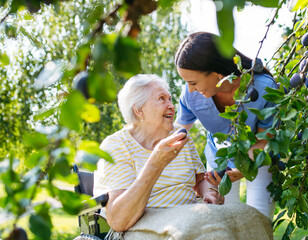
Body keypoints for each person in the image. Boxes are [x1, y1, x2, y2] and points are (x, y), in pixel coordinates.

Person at [93, 74, 223, 233]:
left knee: (244, 215)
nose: (171, 106)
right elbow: (119, 221)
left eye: (170, 99)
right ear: (139, 110)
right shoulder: (116, 146)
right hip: (143, 226)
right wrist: (156, 163)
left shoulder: (180, 136)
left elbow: (200, 180)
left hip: (191, 218)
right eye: (162, 99)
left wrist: (209, 192)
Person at [174, 31, 277, 219]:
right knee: (222, 221)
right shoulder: (191, 96)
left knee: (260, 220)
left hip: (259, 159)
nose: (189, 89)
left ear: (217, 74)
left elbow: (264, 140)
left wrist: (244, 169)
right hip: (218, 165)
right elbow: (175, 136)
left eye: (193, 82)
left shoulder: (262, 88)